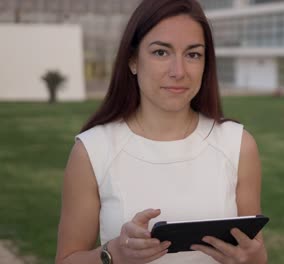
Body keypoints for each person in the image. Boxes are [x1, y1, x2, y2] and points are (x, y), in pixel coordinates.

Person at [55, 0, 267, 263]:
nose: (178, 72)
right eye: (161, 52)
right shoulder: (92, 150)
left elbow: (255, 253)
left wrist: (254, 259)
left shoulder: (237, 145)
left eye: (193, 54)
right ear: (132, 60)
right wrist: (114, 254)